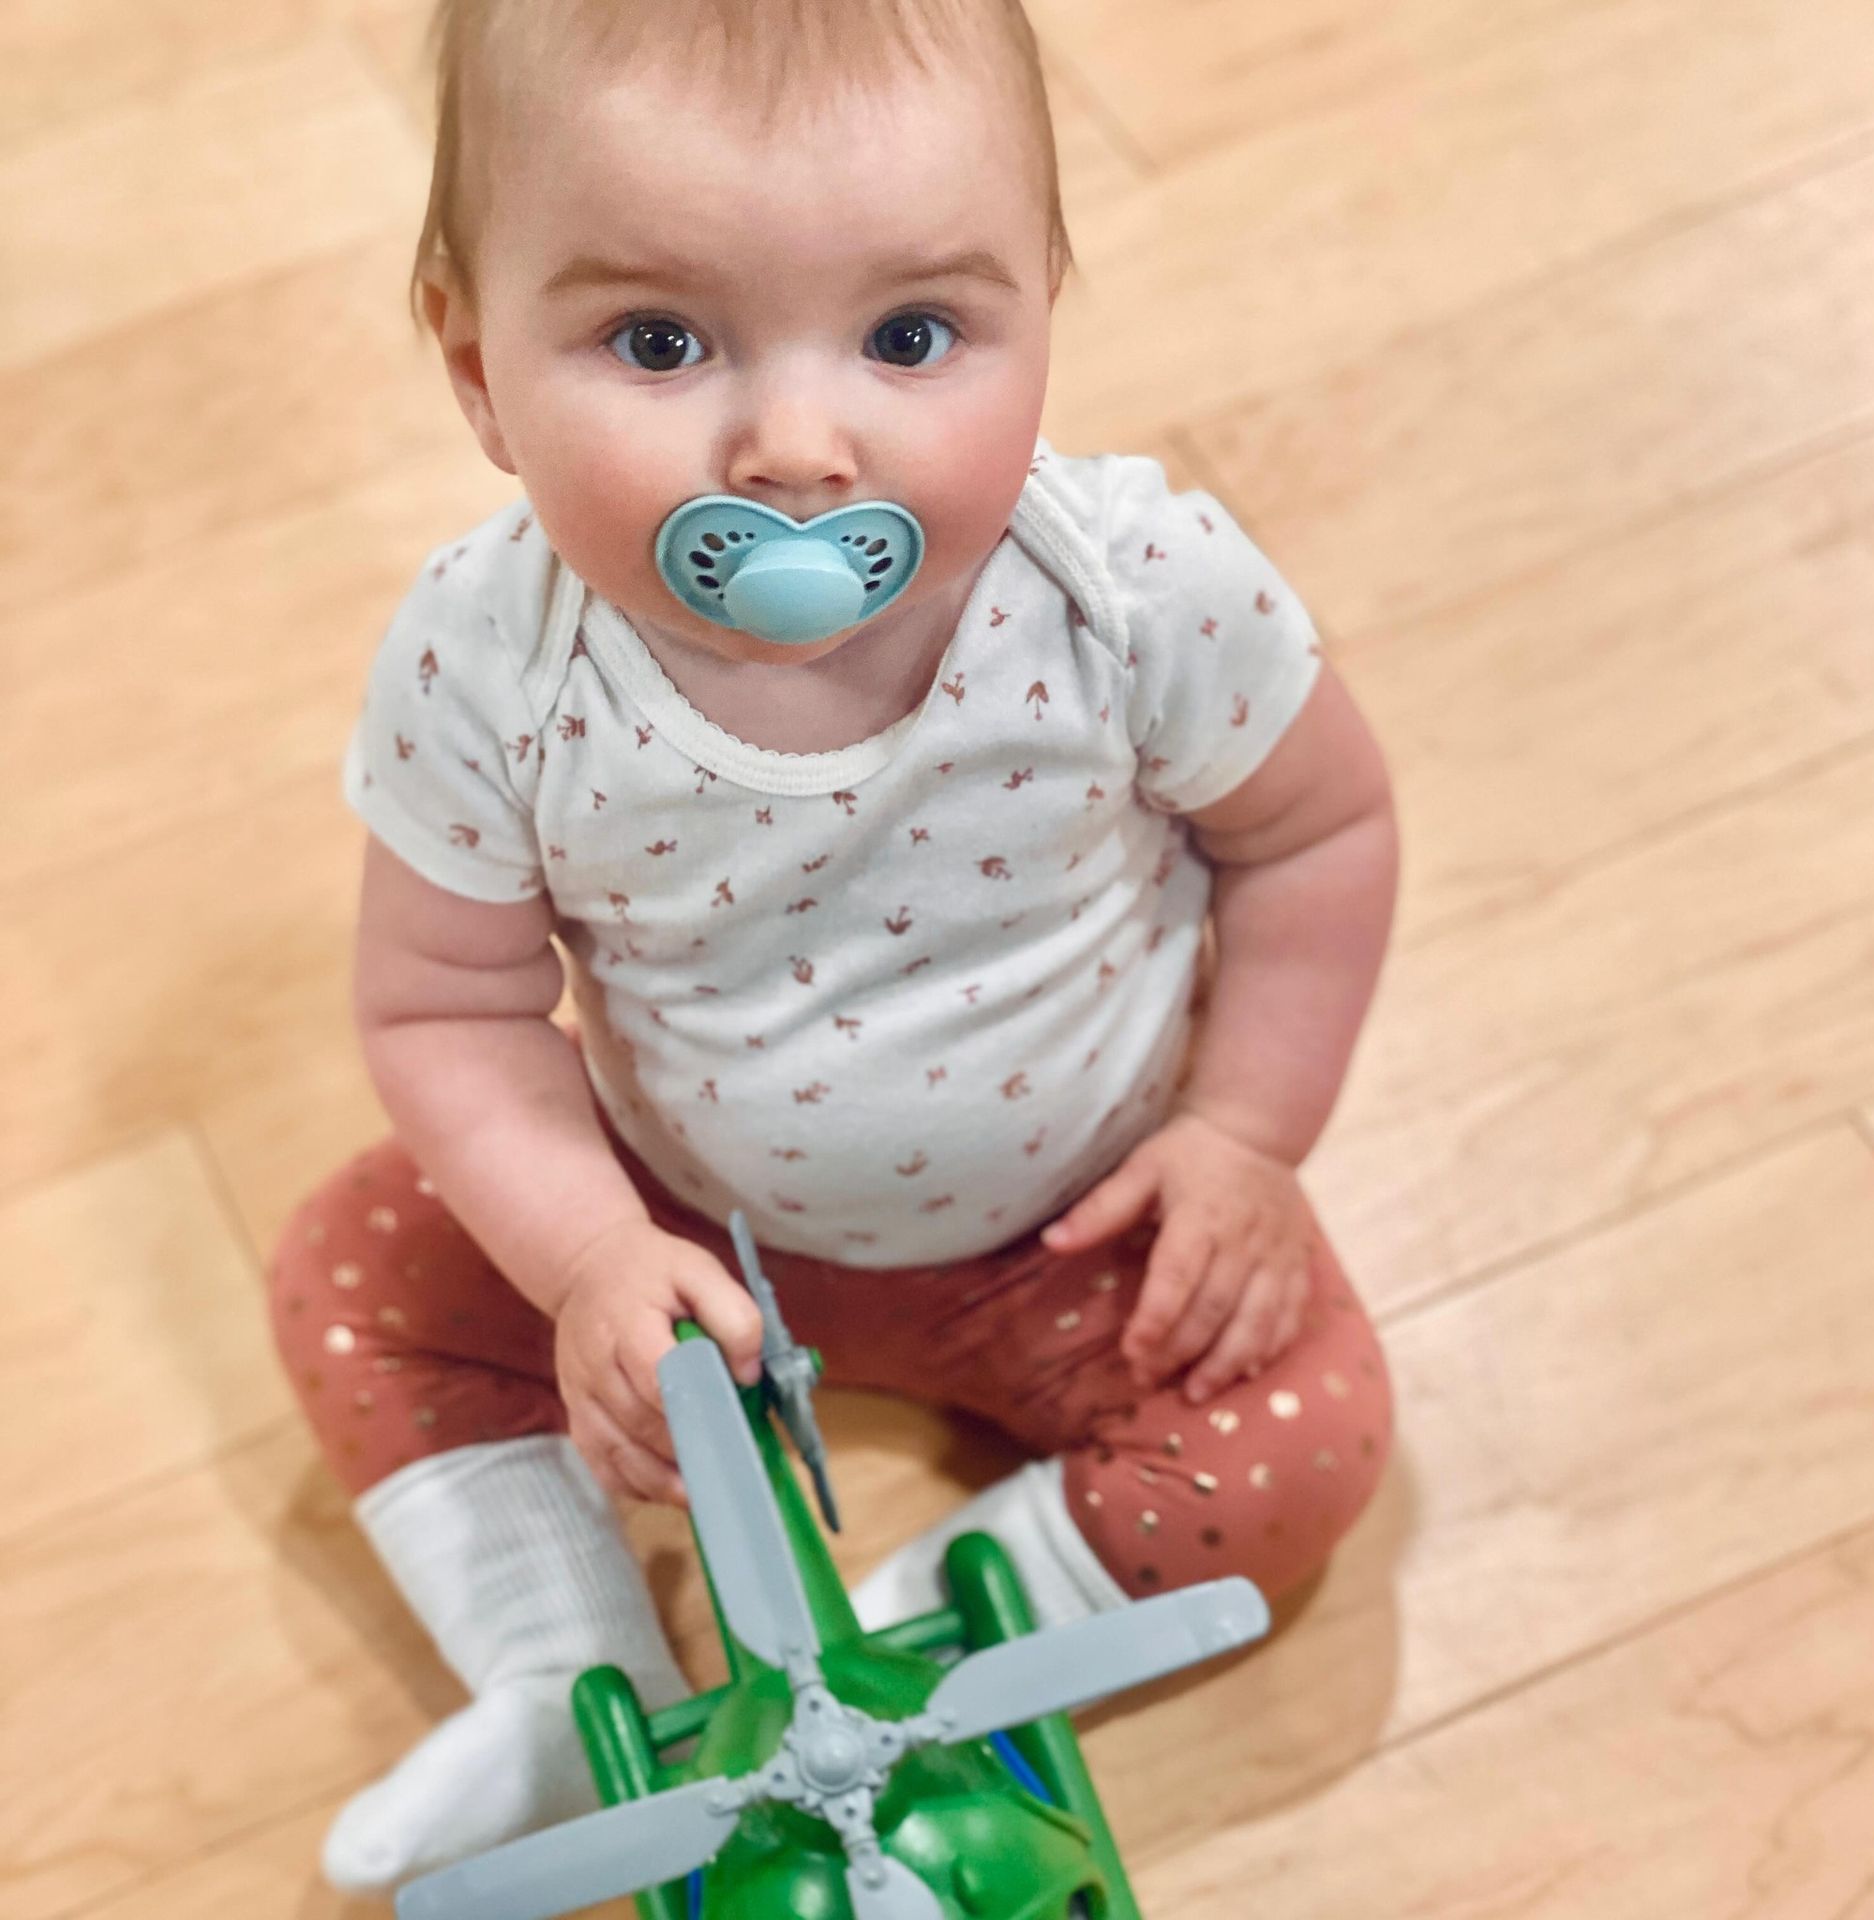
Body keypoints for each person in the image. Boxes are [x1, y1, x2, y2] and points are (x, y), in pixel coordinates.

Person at [269, 0, 1401, 1896]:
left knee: (1306, 1437)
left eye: (909, 336)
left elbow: (1317, 834)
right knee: (359, 1266)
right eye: (657, 339)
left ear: (1045, 305)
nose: (799, 447)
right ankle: (576, 1676)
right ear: (478, 371)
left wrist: (1243, 1140)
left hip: (1077, 1220)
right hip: (691, 1232)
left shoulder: (1130, 598)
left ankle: (892, 1665)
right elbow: (447, 1002)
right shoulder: (490, 662)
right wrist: (585, 1256)